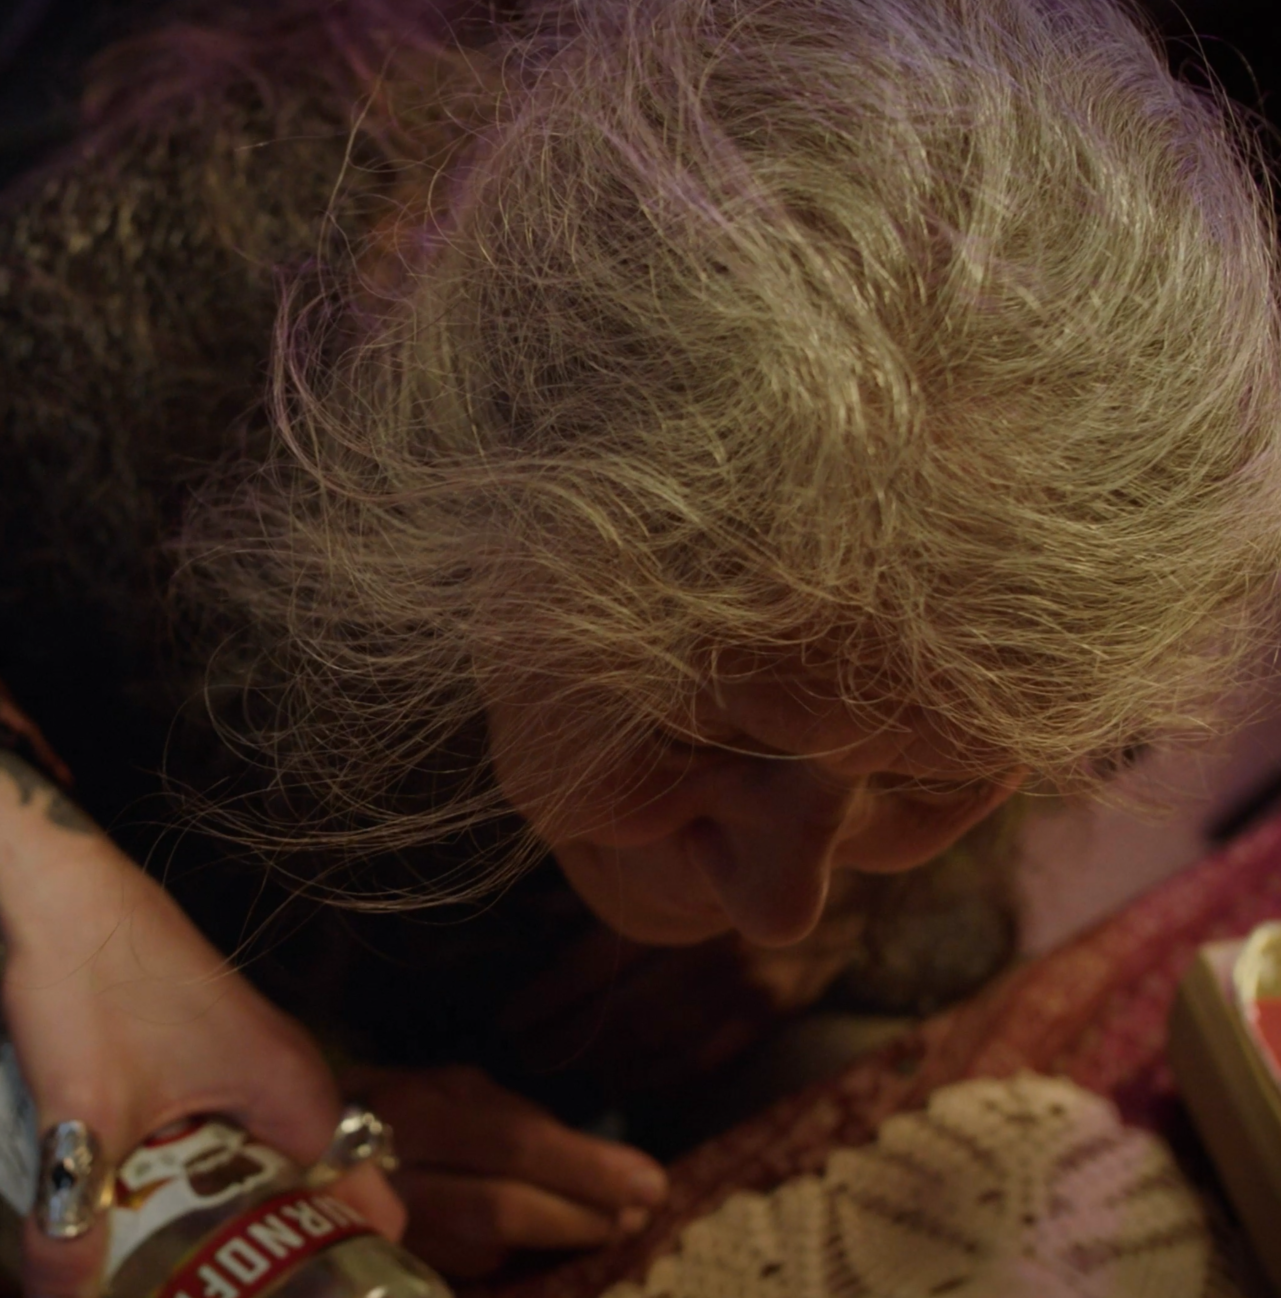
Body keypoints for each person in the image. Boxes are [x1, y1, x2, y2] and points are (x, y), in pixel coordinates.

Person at [3, 0, 1281, 1288]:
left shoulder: (1022, 544)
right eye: (703, 734)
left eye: (932, 778)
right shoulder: (91, 357)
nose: (781, 902)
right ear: (464, 473)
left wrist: (854, 919)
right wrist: (87, 919)